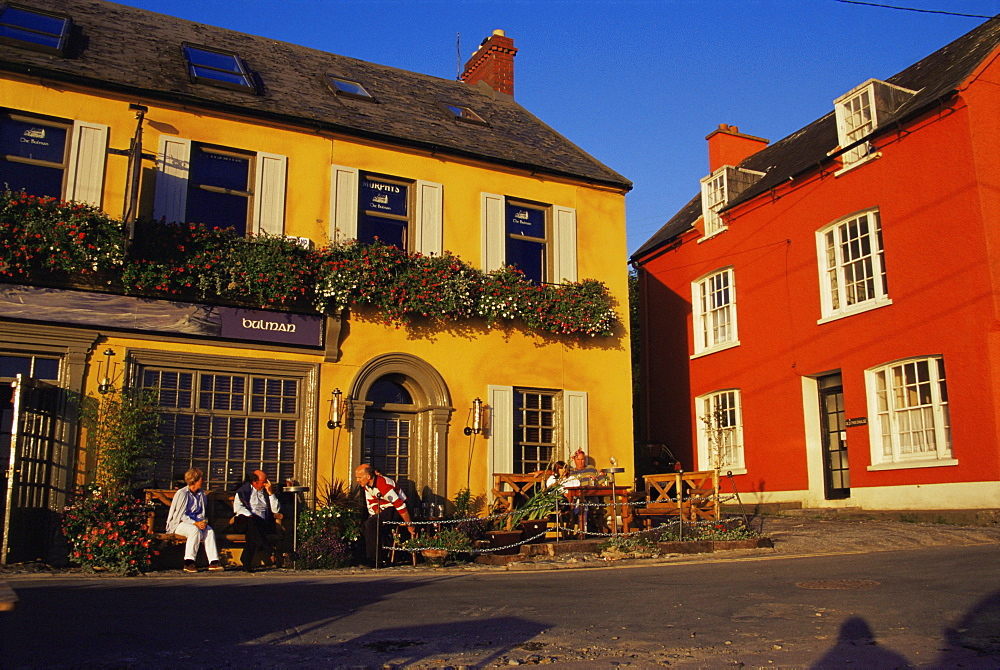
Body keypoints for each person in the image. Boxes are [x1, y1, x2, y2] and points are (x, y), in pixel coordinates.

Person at [355, 464, 417, 568]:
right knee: (365, 527)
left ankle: (375, 561)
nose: (357, 480)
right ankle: (371, 556)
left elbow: (399, 505)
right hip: (384, 508)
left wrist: (409, 524)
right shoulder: (366, 486)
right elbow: (371, 502)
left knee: (372, 524)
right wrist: (376, 510)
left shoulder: (383, 484)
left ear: (368, 476)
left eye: (359, 477)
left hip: (396, 508)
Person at [166, 468, 223, 573]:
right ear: (195, 480)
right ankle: (189, 562)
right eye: (202, 479)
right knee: (194, 531)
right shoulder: (182, 493)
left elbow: (201, 512)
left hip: (195, 522)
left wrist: (201, 522)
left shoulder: (201, 494)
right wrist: (195, 523)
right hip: (180, 523)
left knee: (209, 531)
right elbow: (180, 514)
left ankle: (213, 561)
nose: (204, 481)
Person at [232, 469, 281, 572]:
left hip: (260, 524)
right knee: (253, 523)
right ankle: (266, 547)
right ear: (255, 482)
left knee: (253, 531)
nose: (265, 484)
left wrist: (271, 493)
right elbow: (238, 508)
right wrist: (251, 516)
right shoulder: (243, 491)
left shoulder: (267, 493)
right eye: (263, 482)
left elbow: (276, 510)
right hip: (244, 521)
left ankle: (247, 561)